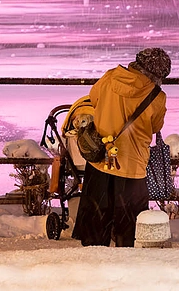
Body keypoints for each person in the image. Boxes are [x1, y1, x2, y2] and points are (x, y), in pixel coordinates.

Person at [72, 47, 168, 247]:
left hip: (101, 159)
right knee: (129, 227)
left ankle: (94, 259)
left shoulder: (110, 77)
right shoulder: (157, 96)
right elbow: (156, 126)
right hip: (132, 166)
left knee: (96, 222)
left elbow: (94, 99)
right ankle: (126, 260)